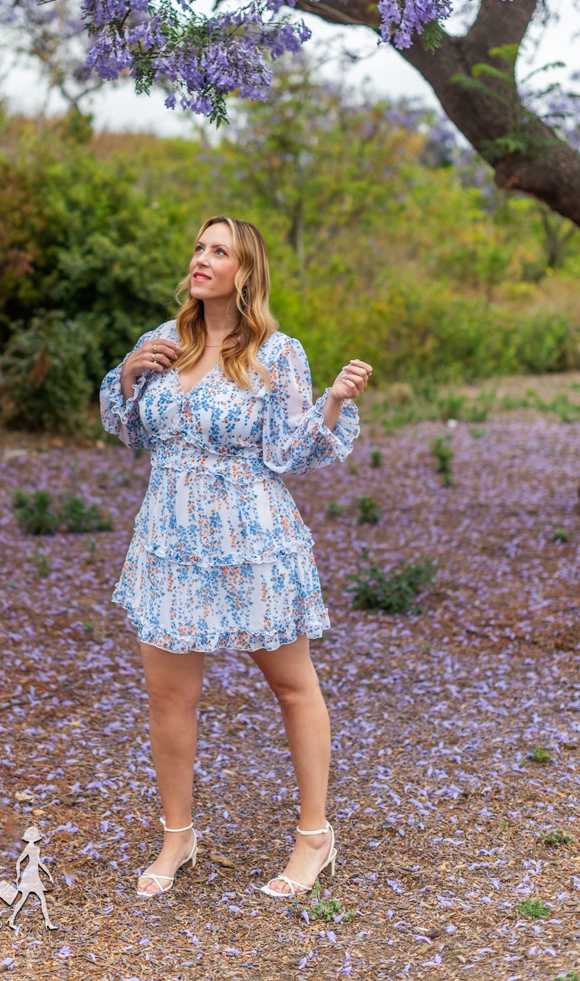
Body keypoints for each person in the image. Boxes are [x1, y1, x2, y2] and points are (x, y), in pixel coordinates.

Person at [99, 215, 372, 900]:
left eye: (218, 251)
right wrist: (127, 374)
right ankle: (177, 835)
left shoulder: (279, 354)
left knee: (291, 684)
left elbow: (286, 452)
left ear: (243, 271)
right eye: (197, 246)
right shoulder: (160, 342)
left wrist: (332, 401)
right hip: (170, 538)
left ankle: (315, 836)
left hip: (253, 542)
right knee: (169, 694)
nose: (201, 258)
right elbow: (127, 429)